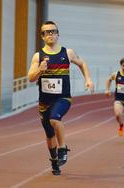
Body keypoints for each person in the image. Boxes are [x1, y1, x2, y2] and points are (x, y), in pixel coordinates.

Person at [28, 21, 94, 175]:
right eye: (47, 32)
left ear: (58, 34)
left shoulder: (67, 53)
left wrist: (88, 79)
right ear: (42, 36)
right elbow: (30, 78)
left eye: (53, 31)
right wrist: (39, 70)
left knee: (55, 119)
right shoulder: (38, 56)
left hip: (63, 98)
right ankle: (54, 161)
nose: (50, 34)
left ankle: (63, 148)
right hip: (45, 102)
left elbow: (82, 63)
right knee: (49, 135)